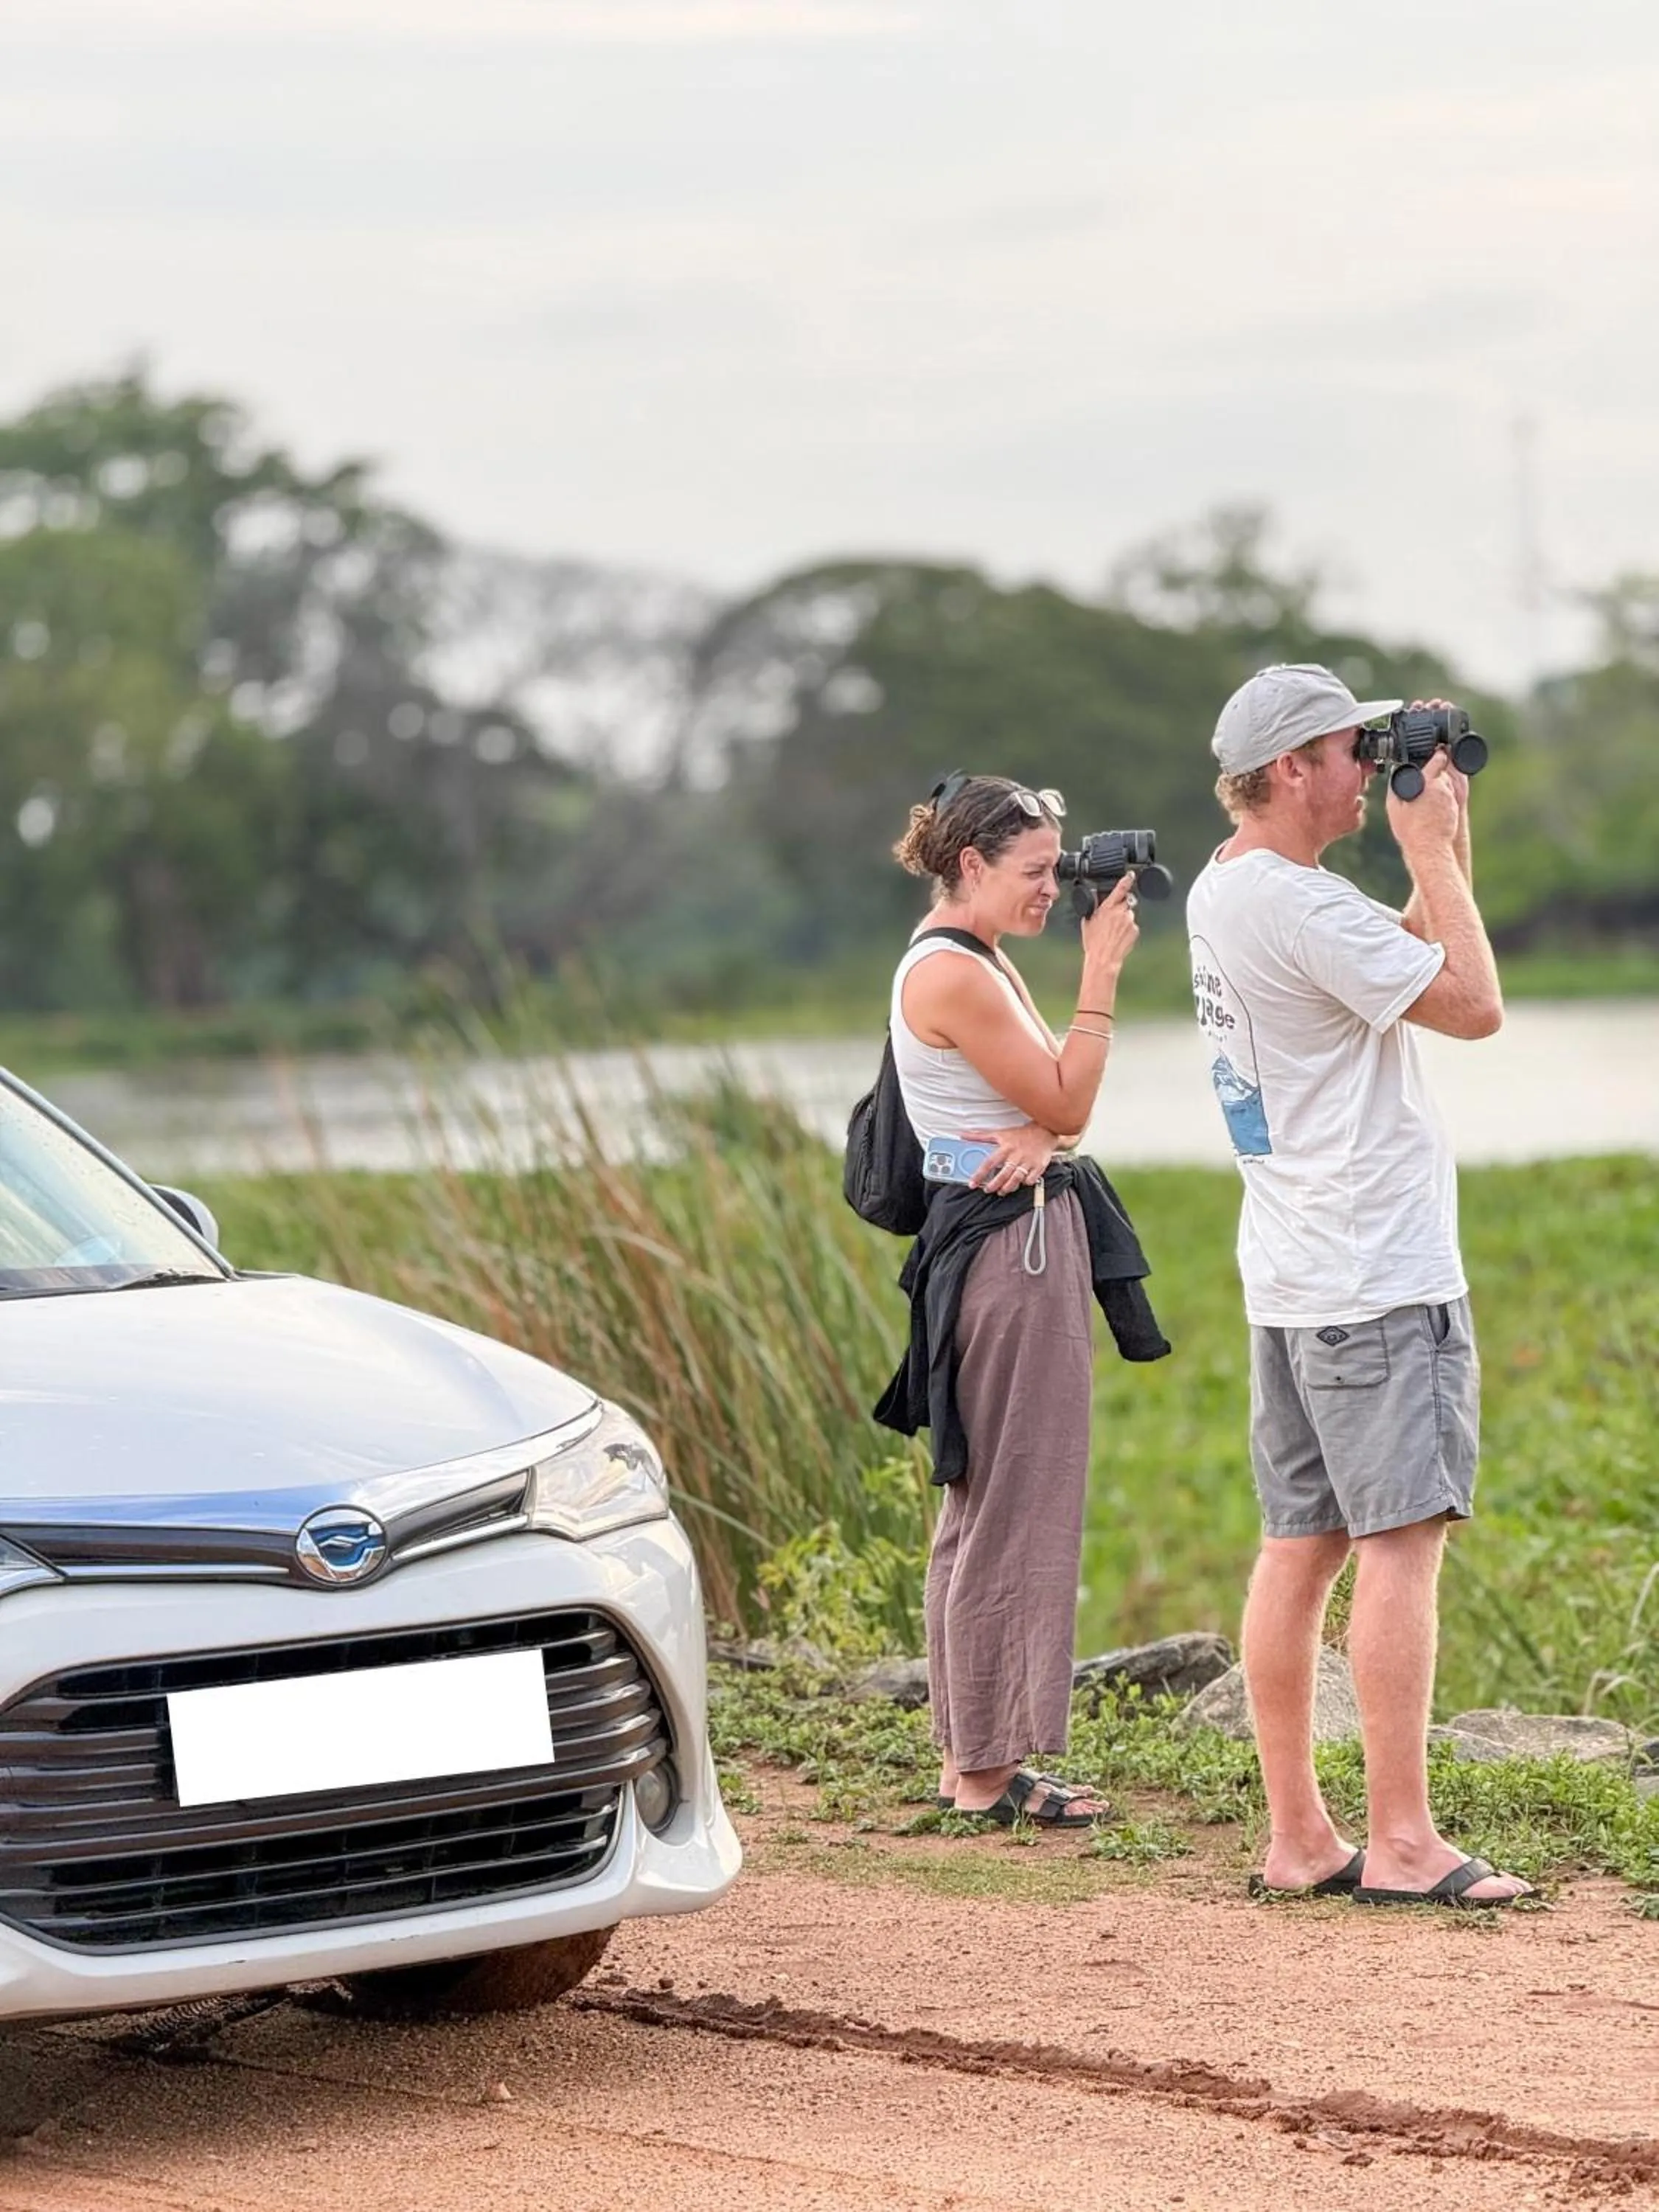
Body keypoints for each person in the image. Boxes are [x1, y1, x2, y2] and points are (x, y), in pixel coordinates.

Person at [1186, 663, 1529, 1907]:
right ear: (1289, 770)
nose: (1367, 769)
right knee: (1400, 1547)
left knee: (1301, 1546)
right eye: (1351, 749)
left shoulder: (1239, 889)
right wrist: (1431, 850)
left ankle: (1297, 1839)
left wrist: (1444, 849)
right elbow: (1473, 1005)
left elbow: (1388, 960)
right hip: (1376, 1273)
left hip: (1291, 1271)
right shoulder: (1296, 903)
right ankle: (1399, 1842)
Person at [874, 771, 1169, 1828]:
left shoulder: (966, 960)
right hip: (1013, 1253)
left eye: (1058, 869)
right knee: (1015, 1508)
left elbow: (1052, 1109)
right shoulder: (957, 976)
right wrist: (1098, 978)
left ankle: (972, 1761)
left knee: (978, 1506)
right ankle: (988, 1773)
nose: (1055, 888)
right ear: (970, 865)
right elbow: (1072, 1090)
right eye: (1036, 871)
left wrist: (1047, 1131)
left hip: (993, 1239)